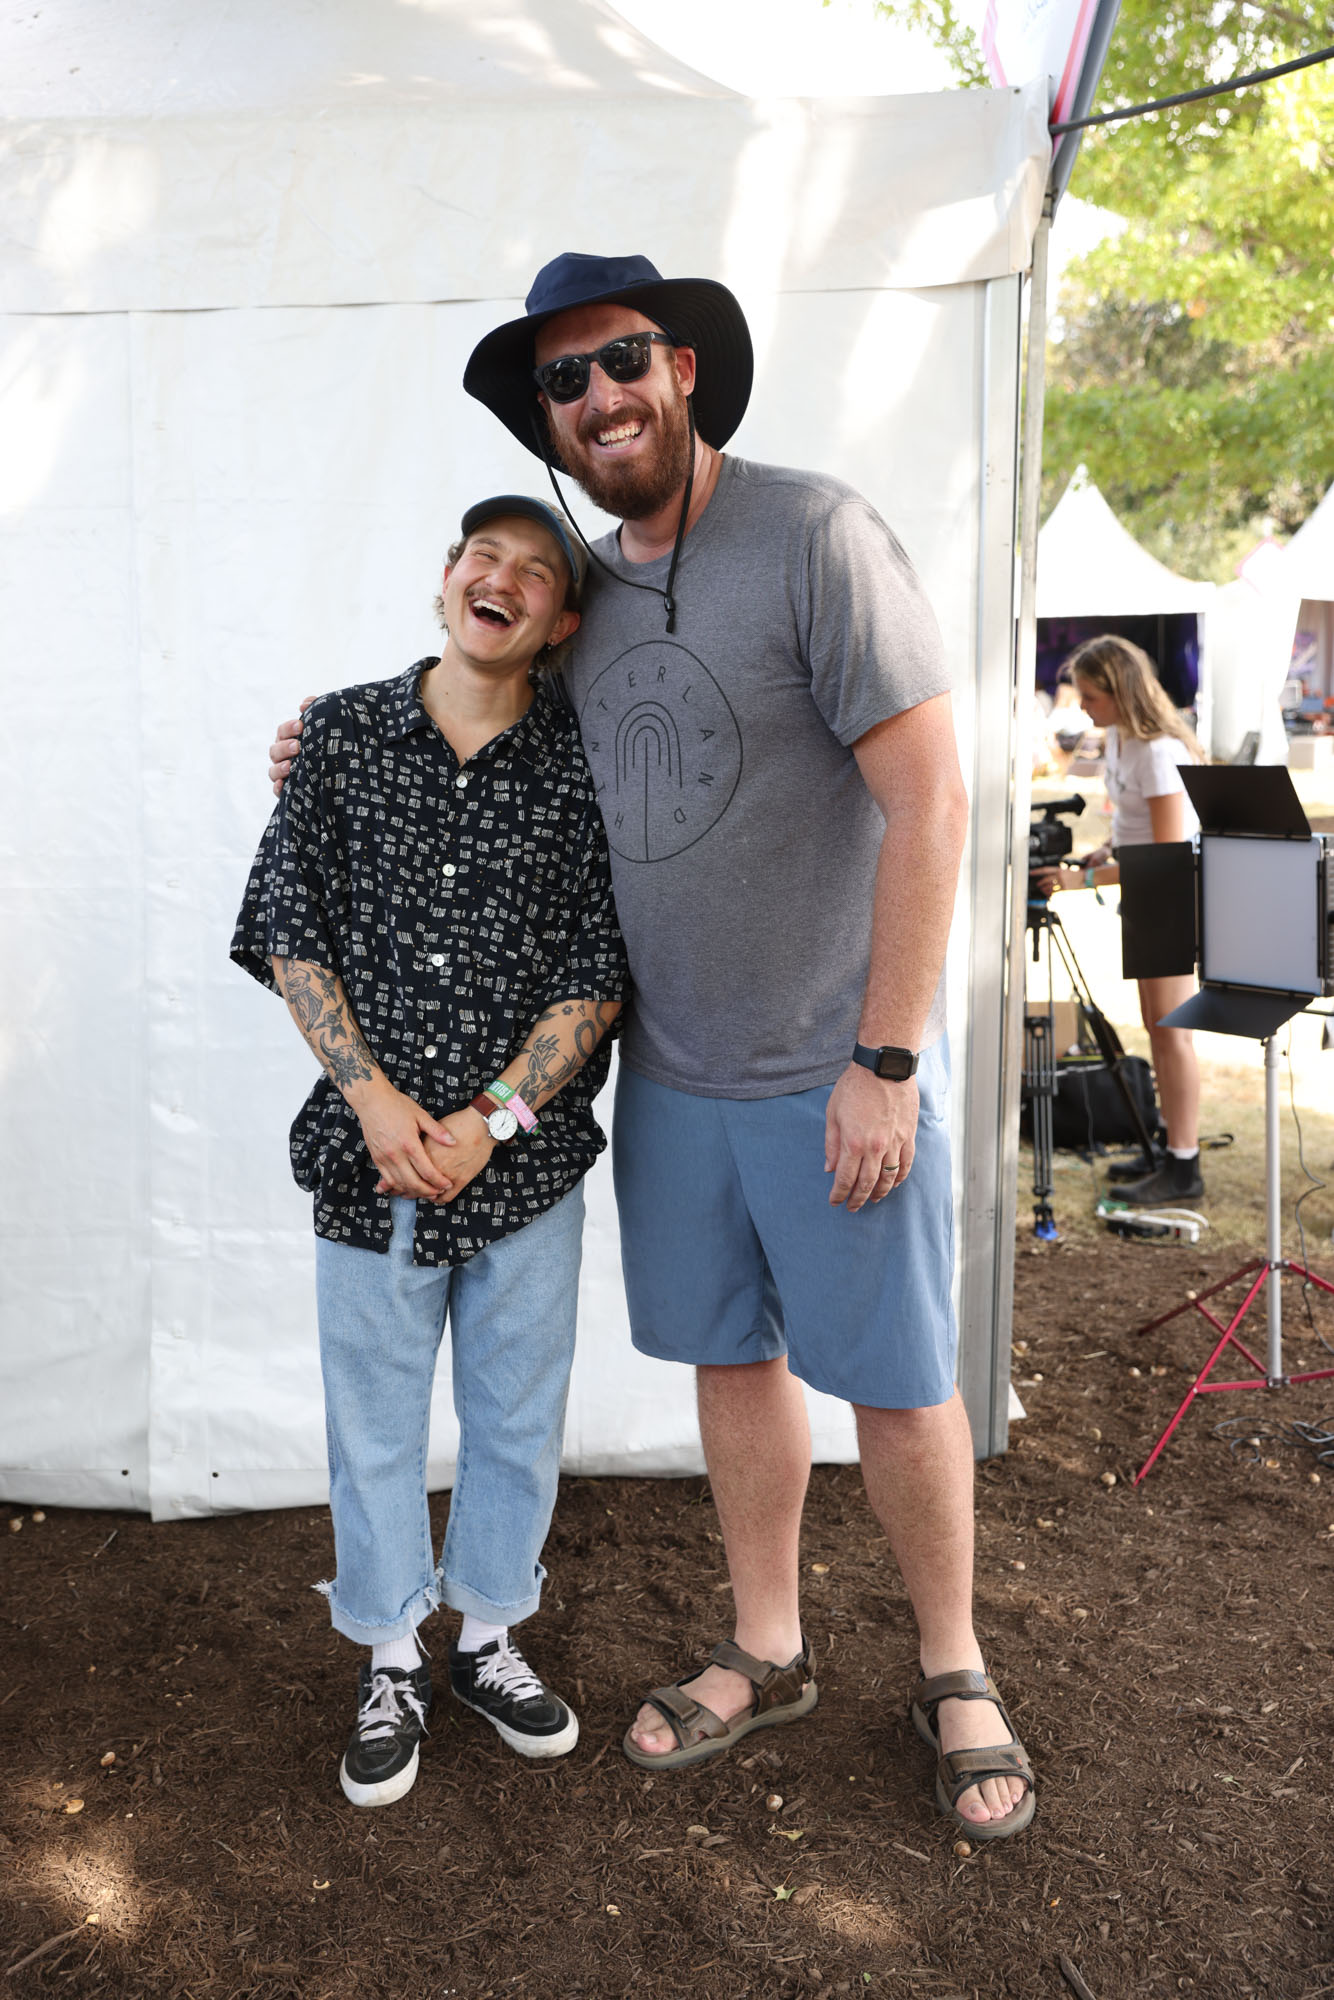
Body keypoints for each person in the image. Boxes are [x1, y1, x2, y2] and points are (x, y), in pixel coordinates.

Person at [270, 253, 1035, 1838]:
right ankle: (766, 1646)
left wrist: (887, 1059)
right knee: (730, 1362)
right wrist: (323, 742)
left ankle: (954, 1667)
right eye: (562, 380)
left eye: (619, 359)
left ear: (681, 367)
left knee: (897, 1379)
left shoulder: (815, 535)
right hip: (671, 1073)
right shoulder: (585, 596)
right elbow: (475, 696)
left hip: (834, 1063)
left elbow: (931, 799)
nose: (597, 396)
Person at [234, 494, 627, 1808]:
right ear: (447, 578)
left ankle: (490, 1637)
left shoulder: (581, 766)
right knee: (375, 1424)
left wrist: (491, 1121)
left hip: (523, 1171)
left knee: (516, 1417)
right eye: (482, 556)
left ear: (559, 622)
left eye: (534, 571)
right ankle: (392, 1655)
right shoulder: (341, 734)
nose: (500, 577)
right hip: (372, 1165)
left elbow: (596, 970)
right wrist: (373, 1104)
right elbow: (290, 928)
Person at [1037, 633, 1205, 1207]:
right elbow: (1134, 827)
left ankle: (1184, 1167)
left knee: (1173, 1033)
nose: (1083, 706)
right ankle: (1168, 1145)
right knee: (1157, 1027)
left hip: (1171, 897)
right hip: (1145, 896)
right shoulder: (1120, 740)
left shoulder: (1159, 751)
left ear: (1121, 691)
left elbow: (1169, 854)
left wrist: (1082, 881)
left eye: (1091, 696)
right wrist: (1105, 851)